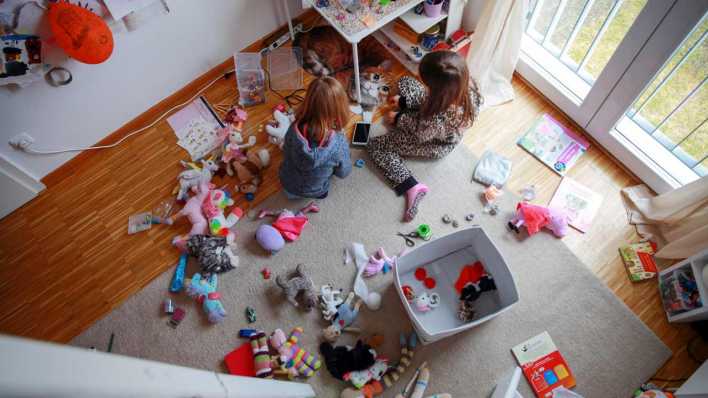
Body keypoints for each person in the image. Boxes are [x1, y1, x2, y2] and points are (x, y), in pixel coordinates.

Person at [367, 51, 482, 221]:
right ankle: (409, 105)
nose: (423, 85)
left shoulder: (439, 116)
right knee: (405, 82)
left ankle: (411, 186)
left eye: (427, 84)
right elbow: (428, 98)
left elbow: (421, 134)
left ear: (438, 91)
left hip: (435, 144)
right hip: (435, 118)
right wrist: (405, 102)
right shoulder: (468, 85)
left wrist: (399, 118)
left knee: (376, 146)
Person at [279, 76, 353, 199]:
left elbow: (286, 150)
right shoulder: (338, 142)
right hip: (315, 191)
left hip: (287, 185)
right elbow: (343, 172)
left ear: (308, 101)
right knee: (339, 160)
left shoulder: (293, 128)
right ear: (340, 108)